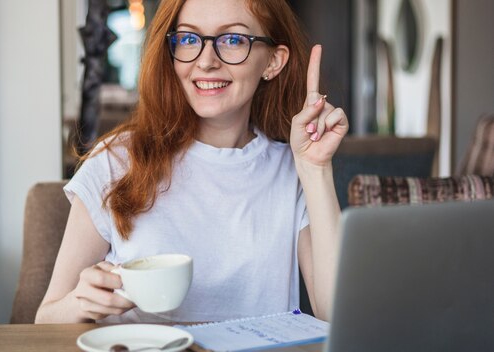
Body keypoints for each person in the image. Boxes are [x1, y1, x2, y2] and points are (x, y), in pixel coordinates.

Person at [35, 0, 348, 324]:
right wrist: (80, 304)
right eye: (188, 39)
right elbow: (45, 319)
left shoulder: (292, 169)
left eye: (232, 40)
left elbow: (338, 317)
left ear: (273, 61)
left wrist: (315, 169)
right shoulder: (114, 162)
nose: (206, 61)